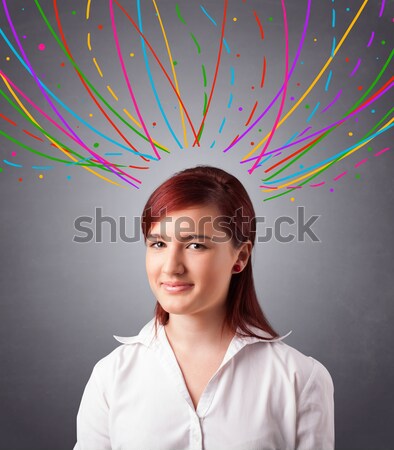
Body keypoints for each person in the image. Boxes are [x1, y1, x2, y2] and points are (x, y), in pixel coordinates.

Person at [73, 165, 334, 450]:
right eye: (158, 243)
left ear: (240, 257)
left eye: (196, 245)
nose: (171, 267)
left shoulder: (299, 378)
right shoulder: (110, 377)